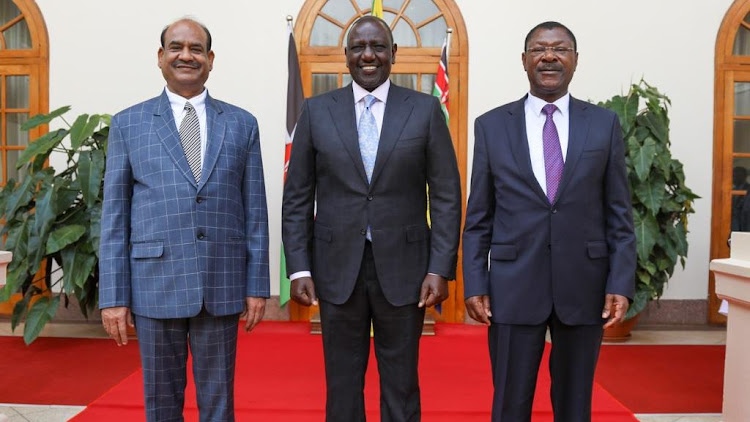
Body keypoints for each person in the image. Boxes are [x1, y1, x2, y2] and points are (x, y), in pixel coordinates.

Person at [282, 15, 462, 422]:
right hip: (335, 269)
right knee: (342, 385)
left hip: (406, 271)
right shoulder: (315, 111)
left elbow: (447, 196)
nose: (368, 55)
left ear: (393, 55)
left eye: (378, 46)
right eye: (359, 47)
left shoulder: (425, 110)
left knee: (401, 384)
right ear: (346, 56)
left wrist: (440, 267)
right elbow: (297, 197)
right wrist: (298, 269)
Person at [462, 21, 636, 421]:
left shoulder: (603, 124)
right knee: (510, 402)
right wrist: (476, 282)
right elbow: (479, 216)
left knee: (576, 405)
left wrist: (620, 283)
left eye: (560, 49)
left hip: (584, 285)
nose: (549, 56)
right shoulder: (491, 126)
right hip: (512, 285)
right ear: (524, 61)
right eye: (539, 49)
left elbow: (619, 214)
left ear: (575, 61)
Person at [98, 18, 269, 421]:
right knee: (161, 401)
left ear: (210, 60)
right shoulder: (129, 124)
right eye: (176, 47)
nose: (185, 55)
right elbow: (114, 218)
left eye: (196, 49)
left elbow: (256, 212)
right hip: (154, 285)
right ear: (161, 57)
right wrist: (114, 297)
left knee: (218, 402)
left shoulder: (242, 124)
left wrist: (257, 284)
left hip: (221, 282)